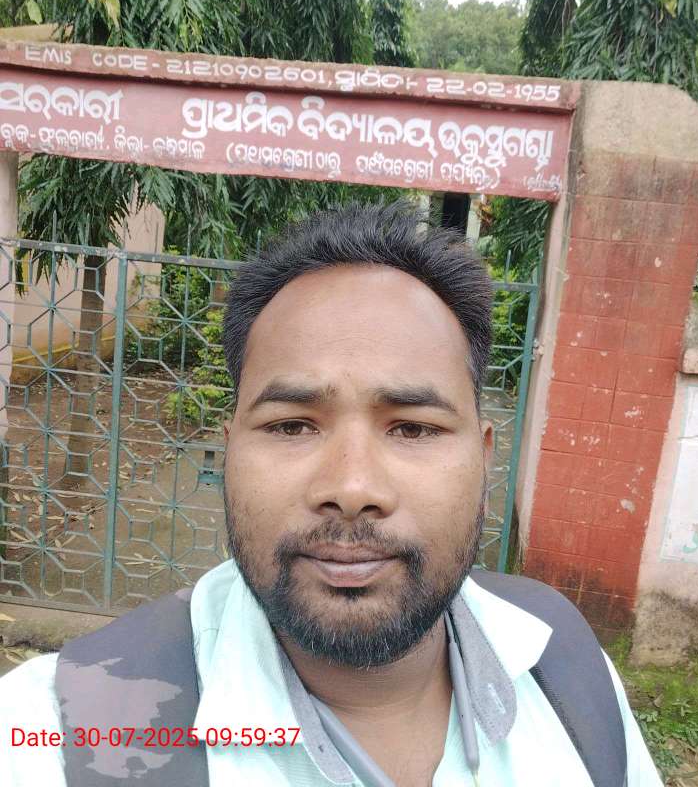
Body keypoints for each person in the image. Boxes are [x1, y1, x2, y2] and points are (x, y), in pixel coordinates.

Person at [0, 201, 662, 787]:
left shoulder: (565, 670)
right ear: (229, 451)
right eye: (292, 425)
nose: (351, 489)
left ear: (483, 459)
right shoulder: (59, 737)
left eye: (413, 428)